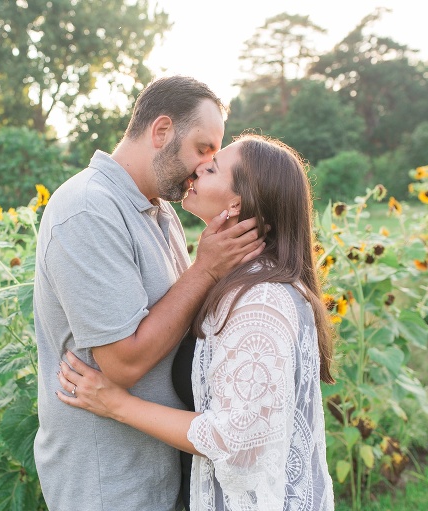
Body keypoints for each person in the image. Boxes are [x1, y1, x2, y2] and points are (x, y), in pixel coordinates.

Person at [56, 134, 336, 511]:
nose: (198, 167)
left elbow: (237, 441)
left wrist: (115, 403)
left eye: (213, 166)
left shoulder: (261, 301)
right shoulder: (234, 276)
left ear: (237, 202)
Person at [33, 76, 265, 511]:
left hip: (160, 468)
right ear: (161, 132)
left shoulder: (160, 210)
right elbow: (123, 363)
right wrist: (206, 268)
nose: (203, 166)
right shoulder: (88, 209)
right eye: (202, 149)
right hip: (110, 481)